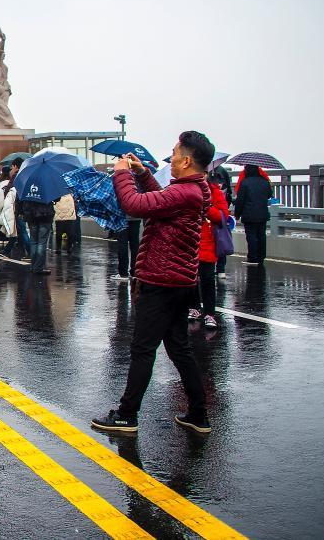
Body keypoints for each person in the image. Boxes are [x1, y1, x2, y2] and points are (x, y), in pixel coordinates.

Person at [91, 131, 215, 435]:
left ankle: (126, 415)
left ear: (186, 160)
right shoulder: (195, 189)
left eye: (173, 153)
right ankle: (198, 414)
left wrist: (121, 175)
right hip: (179, 281)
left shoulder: (186, 192)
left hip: (161, 282)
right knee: (179, 349)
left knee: (143, 349)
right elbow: (161, 200)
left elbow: (134, 205)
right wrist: (143, 174)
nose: (170, 158)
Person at [188, 175, 229, 329]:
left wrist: (206, 205)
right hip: (189, 239)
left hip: (207, 241)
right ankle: (194, 307)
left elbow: (222, 216)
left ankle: (210, 313)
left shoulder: (215, 192)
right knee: (190, 277)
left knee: (207, 278)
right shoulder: (187, 191)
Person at [234, 163, 272, 266]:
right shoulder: (265, 181)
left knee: (251, 236)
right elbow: (269, 195)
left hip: (249, 214)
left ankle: (252, 258)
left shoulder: (245, 183)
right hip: (262, 214)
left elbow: (240, 200)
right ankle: (261, 257)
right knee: (261, 236)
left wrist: (237, 214)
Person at [18, 195, 55, 275]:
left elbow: (21, 198)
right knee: (42, 242)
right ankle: (38, 267)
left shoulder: (28, 183)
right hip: (45, 214)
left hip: (30, 214)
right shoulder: (47, 184)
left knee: (34, 240)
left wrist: (21, 211)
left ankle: (34, 265)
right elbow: (56, 198)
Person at [210, 166, 233, 278]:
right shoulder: (222, 172)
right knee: (220, 242)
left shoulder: (214, 192)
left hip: (212, 221)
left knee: (218, 242)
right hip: (216, 222)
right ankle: (220, 270)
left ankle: (219, 269)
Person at [111, 216, 141, 282]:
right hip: (135, 216)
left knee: (122, 244)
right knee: (135, 244)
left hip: (121, 216)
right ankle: (135, 272)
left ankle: (123, 273)